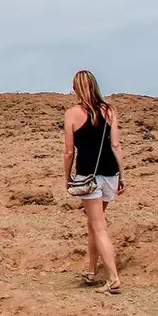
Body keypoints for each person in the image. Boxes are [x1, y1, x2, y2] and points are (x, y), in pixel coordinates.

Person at [64, 69, 125, 294]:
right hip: (110, 173)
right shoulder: (109, 110)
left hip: (88, 175)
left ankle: (113, 278)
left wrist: (67, 177)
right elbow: (116, 145)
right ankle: (91, 271)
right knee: (93, 223)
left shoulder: (72, 114)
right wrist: (122, 175)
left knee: (99, 227)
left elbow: (69, 152)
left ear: (77, 88)